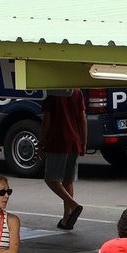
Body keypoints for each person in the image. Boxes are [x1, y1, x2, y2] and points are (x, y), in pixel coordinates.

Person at [41, 89, 85, 230]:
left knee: (51, 179)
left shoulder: (51, 92)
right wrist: (83, 142)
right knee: (68, 180)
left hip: (57, 140)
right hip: (74, 140)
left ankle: (73, 204)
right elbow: (82, 118)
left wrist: (42, 141)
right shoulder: (77, 92)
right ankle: (66, 219)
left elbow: (47, 120)